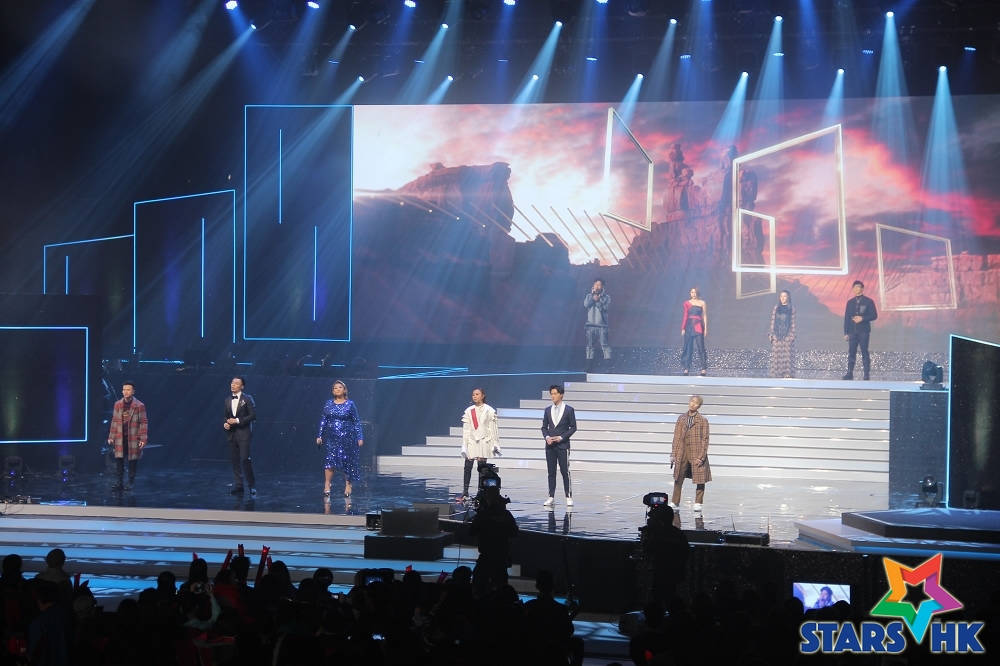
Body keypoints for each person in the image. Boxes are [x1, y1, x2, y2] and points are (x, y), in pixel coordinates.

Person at [315, 380, 364, 498]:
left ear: (344, 390)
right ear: (333, 391)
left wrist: (360, 437)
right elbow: (324, 420)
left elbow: (356, 421)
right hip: (332, 437)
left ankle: (348, 485)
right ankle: (327, 484)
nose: (337, 389)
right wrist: (319, 435)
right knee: (330, 461)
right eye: (335, 388)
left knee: (347, 461)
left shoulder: (350, 404)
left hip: (348, 437)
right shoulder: (328, 404)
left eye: (340, 387)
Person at [670, 395, 711, 511]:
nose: (693, 404)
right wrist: (673, 453)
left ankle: (698, 502)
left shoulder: (702, 420)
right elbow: (676, 437)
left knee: (700, 478)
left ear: (699, 406)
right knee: (678, 477)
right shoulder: (681, 418)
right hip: (682, 451)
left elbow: (705, 439)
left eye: (696, 403)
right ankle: (675, 501)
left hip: (696, 451)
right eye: (692, 401)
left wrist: (701, 457)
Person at [460, 388, 501, 500]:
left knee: (482, 468)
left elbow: (493, 429)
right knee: (467, 466)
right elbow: (466, 429)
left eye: (477, 394)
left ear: (483, 396)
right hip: (472, 441)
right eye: (473, 394)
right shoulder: (469, 411)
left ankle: (480, 492)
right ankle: (465, 492)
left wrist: (495, 443)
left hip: (484, 441)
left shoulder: (489, 410)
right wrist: (464, 445)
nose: (474, 396)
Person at [106, 380, 147, 491]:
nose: (125, 392)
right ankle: (119, 483)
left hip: (133, 437)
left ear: (133, 391)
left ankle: (130, 482)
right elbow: (114, 420)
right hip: (120, 437)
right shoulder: (118, 404)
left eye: (128, 390)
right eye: (124, 389)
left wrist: (143, 438)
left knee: (132, 461)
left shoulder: (139, 405)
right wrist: (111, 436)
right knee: (119, 460)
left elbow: (143, 422)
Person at [541, 384, 577, 508]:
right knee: (551, 472)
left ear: (561, 395)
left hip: (563, 445)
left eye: (555, 393)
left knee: (565, 471)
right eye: (551, 394)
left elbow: (573, 427)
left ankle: (568, 496)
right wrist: (547, 437)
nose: (553, 396)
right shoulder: (547, 410)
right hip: (550, 446)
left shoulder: (569, 410)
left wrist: (561, 437)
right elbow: (544, 427)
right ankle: (551, 496)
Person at [223, 377, 256, 496]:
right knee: (235, 460)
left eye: (236, 383)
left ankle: (251, 486)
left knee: (245, 459)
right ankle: (239, 486)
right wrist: (226, 423)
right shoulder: (227, 400)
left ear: (242, 387)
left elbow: (253, 415)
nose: (233, 385)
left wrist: (237, 420)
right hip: (232, 434)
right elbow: (226, 416)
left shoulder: (247, 399)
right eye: (232, 382)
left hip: (244, 433)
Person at [843, 280, 878, 380]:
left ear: (862, 288)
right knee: (851, 352)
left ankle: (866, 374)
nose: (856, 289)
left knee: (864, 352)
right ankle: (849, 373)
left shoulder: (868, 301)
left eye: (858, 287)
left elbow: (874, 315)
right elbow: (847, 318)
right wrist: (846, 332)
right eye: (854, 287)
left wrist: (862, 318)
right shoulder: (850, 302)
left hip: (864, 331)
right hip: (852, 332)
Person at [680, 287, 708, 376]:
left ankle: (703, 368)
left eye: (695, 292)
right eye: (692, 292)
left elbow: (704, 316)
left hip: (698, 326)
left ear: (697, 293)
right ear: (690, 293)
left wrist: (706, 328)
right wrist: (683, 328)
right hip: (689, 327)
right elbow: (685, 316)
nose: (693, 294)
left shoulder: (702, 303)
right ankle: (686, 368)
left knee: (701, 348)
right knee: (688, 348)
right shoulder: (687, 303)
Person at [769, 290, 797, 378]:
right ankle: (777, 374)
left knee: (787, 356)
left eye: (784, 296)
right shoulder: (776, 308)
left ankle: (787, 374)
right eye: (781, 296)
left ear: (788, 297)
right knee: (777, 356)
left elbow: (793, 323)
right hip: (777, 335)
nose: (782, 298)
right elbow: (773, 321)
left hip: (787, 335)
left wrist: (792, 336)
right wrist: (771, 334)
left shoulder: (791, 308)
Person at [584, 278, 611, 368]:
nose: (597, 286)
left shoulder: (606, 297)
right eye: (595, 284)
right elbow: (586, 305)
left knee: (605, 345)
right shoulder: (589, 296)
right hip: (590, 325)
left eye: (599, 285)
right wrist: (593, 298)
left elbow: (605, 308)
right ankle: (589, 366)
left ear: (602, 286)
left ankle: (608, 366)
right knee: (590, 346)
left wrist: (598, 300)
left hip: (602, 326)